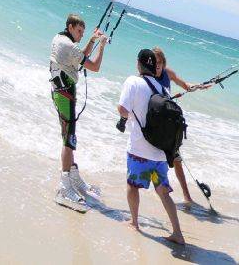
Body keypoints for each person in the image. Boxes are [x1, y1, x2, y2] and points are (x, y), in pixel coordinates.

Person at [118, 48, 186, 245]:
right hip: (159, 156)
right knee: (163, 191)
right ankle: (178, 233)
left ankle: (134, 222)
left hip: (139, 151)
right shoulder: (162, 88)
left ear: (139, 64)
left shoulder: (133, 81)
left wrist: (126, 117)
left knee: (133, 186)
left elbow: (123, 110)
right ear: (152, 66)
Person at [50, 13, 108, 206]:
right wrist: (101, 44)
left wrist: (92, 39)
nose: (81, 34)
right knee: (69, 140)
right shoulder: (69, 45)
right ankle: (64, 185)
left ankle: (73, 176)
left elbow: (79, 56)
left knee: (69, 136)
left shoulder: (60, 39)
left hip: (60, 92)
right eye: (79, 31)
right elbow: (94, 66)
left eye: (84, 32)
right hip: (65, 94)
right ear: (70, 27)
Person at [153, 47, 207, 209]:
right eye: (154, 62)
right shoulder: (147, 77)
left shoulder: (168, 73)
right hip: (155, 124)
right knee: (156, 160)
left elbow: (185, 85)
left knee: (177, 160)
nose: (157, 66)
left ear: (163, 63)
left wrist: (200, 86)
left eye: (160, 63)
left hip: (169, 123)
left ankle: (187, 196)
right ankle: (159, 192)